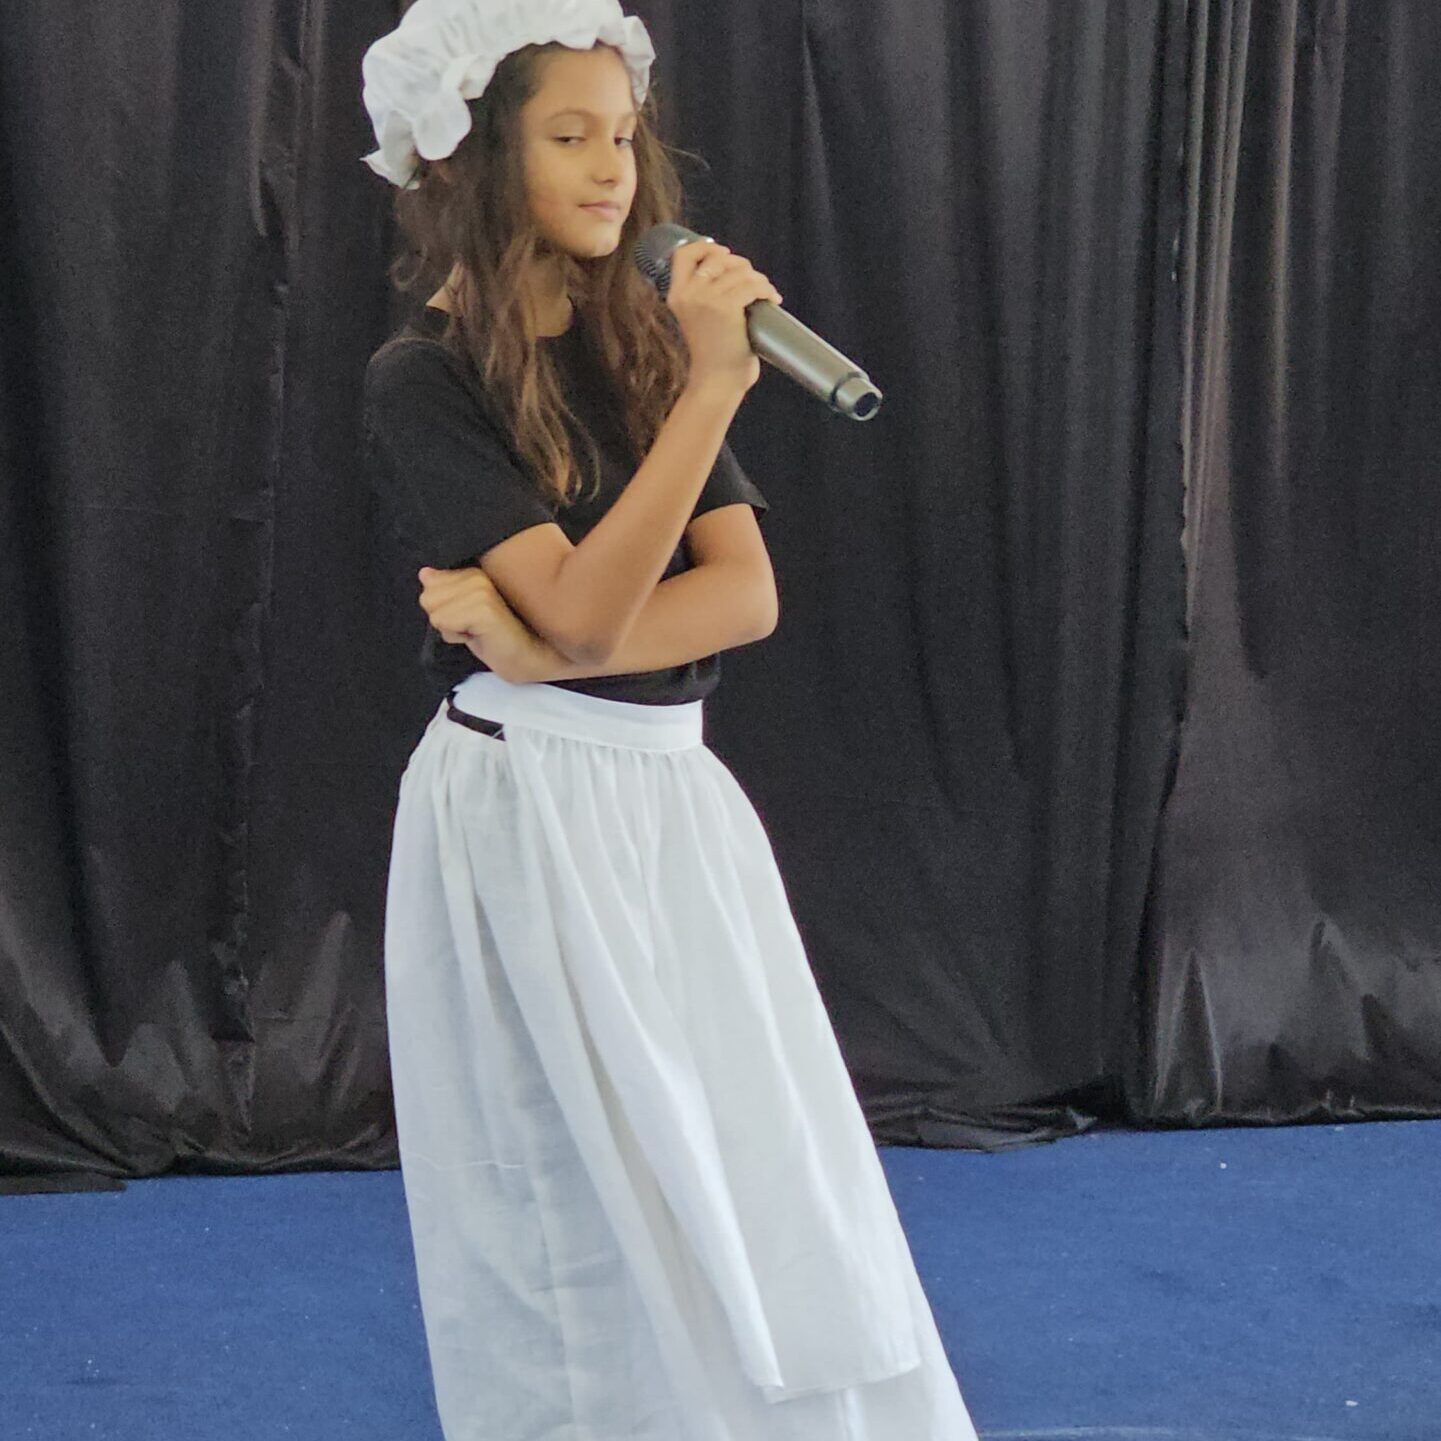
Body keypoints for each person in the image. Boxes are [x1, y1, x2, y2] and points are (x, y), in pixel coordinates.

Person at [359, 3, 981, 1438]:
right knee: (567, 1199)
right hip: (527, 807)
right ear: (475, 160)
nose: (612, 171)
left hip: (672, 800)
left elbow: (741, 596)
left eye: (624, 138)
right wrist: (710, 392)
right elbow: (594, 611)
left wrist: (540, 641)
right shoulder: (426, 378)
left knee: (755, 1167)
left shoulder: (633, 347)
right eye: (569, 137)